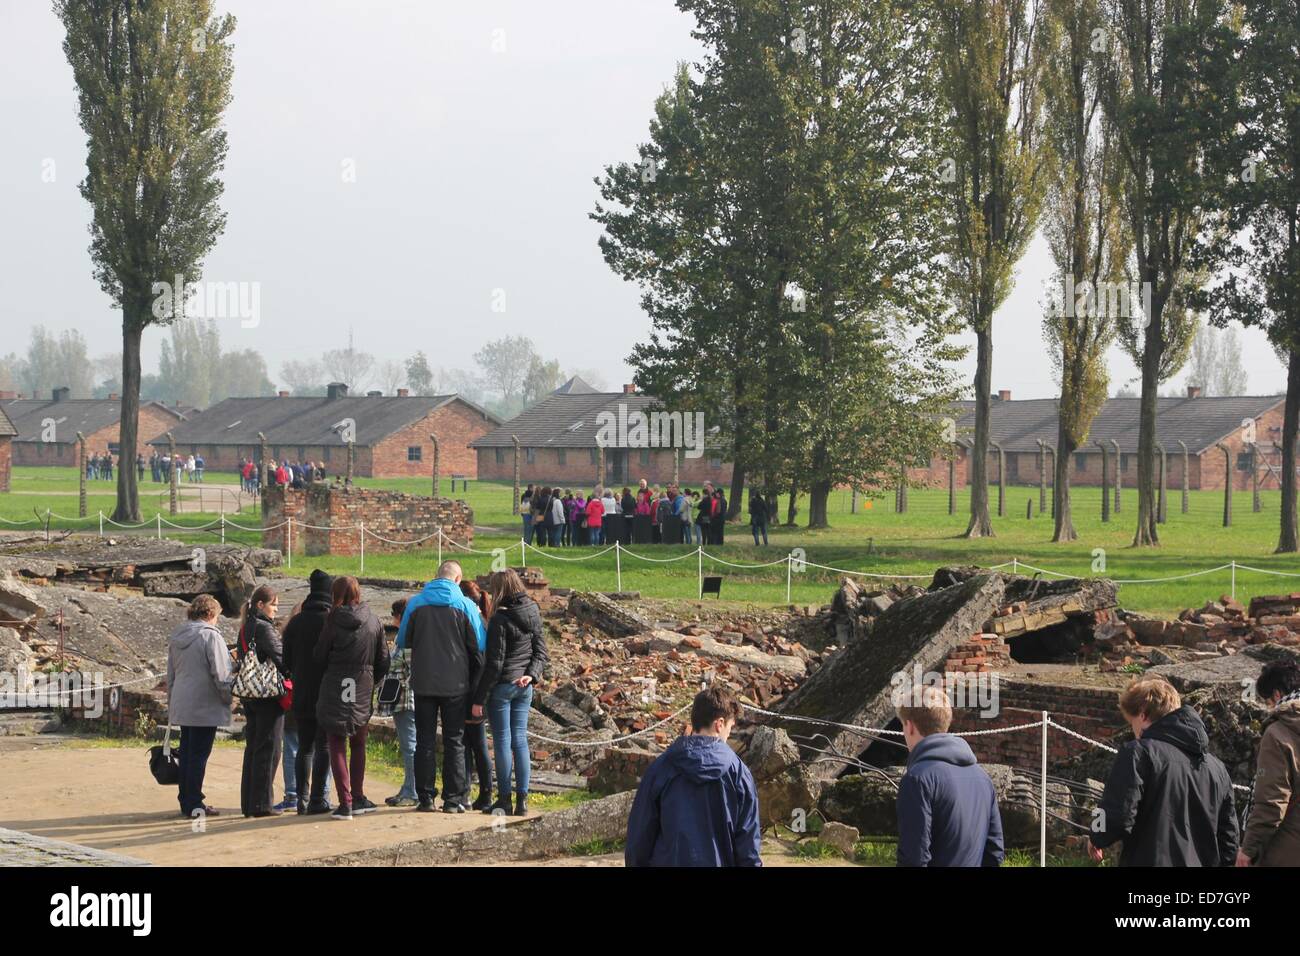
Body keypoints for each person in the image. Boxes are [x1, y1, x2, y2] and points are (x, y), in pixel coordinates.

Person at [1089, 677, 1238, 866]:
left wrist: (1096, 834)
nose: (1132, 728)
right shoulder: (1218, 769)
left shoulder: (1138, 752)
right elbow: (1229, 837)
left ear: (1142, 714)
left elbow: (1116, 811)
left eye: (1131, 720)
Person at [625, 686, 761, 867]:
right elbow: (748, 844)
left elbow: (640, 836)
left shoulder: (660, 768)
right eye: (730, 726)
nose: (729, 734)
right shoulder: (739, 773)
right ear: (719, 724)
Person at [396, 560, 485, 813]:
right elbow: (479, 645)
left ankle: (425, 797)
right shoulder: (466, 605)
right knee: (454, 740)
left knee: (424, 740)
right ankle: (453, 799)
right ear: (458, 580)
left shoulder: (415, 604)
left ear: (436, 577)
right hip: (456, 684)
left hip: (423, 682)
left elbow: (403, 640)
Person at [895, 683, 1004, 866]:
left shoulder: (917, 780)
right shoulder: (983, 779)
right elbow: (994, 853)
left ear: (910, 726)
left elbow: (914, 858)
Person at [473, 569, 548, 817]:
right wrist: (532, 675)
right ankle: (522, 801)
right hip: (524, 685)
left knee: (504, 742)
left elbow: (494, 663)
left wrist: (479, 697)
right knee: (520, 741)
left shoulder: (500, 619)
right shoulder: (533, 610)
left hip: (503, 685)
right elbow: (541, 651)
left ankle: (504, 799)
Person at [314, 575, 389, 820]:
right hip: (362, 684)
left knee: (336, 743)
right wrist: (371, 679)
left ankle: (345, 801)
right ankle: (357, 796)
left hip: (337, 682)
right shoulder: (374, 621)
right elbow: (383, 660)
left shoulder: (332, 621)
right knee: (358, 741)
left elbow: (320, 656)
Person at [166, 595, 232, 819]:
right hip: (204, 703)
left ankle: (187, 799)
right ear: (211, 614)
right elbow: (221, 674)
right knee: (198, 755)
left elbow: (171, 674)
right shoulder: (210, 636)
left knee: (187, 754)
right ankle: (194, 802)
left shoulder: (177, 636)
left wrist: (172, 701)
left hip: (183, 700)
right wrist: (229, 697)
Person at [281, 570, 335, 814]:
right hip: (326, 692)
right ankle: (317, 799)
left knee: (305, 747)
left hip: (302, 691)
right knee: (323, 746)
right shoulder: (331, 620)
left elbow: (287, 662)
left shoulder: (296, 622)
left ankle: (301, 799)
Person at [1237, 661, 1300, 866]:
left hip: (1288, 848)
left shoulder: (1279, 733)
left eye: (1266, 701)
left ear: (1276, 695)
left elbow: (1272, 801)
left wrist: (1248, 849)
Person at [237, 585, 286, 818]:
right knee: (269, 748)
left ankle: (249, 802)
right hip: (267, 695)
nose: (276, 609)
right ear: (260, 605)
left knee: (254, 747)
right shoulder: (265, 629)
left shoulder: (246, 627)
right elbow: (282, 659)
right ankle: (261, 804)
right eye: (273, 604)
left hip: (250, 693)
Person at [458, 580, 496, 810]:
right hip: (479, 691)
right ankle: (483, 792)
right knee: (477, 744)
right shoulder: (485, 620)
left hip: (470, 690)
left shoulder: (473, 622)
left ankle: (471, 793)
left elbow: (479, 662)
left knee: (470, 745)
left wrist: (474, 697)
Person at [383, 597, 420, 807]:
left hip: (408, 698)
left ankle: (412, 791)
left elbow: (406, 666)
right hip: (401, 698)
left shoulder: (409, 639)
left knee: (410, 746)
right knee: (407, 745)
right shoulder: (402, 638)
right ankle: (408, 787)